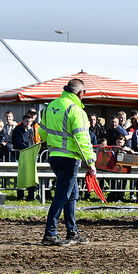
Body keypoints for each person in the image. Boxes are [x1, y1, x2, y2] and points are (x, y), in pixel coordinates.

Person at [39, 78, 96, 246]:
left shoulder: (50, 106)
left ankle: (72, 232)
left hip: (53, 156)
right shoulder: (76, 110)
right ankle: (50, 234)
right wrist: (91, 162)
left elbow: (42, 133)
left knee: (71, 194)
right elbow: (83, 139)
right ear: (80, 93)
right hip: (69, 158)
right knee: (63, 195)